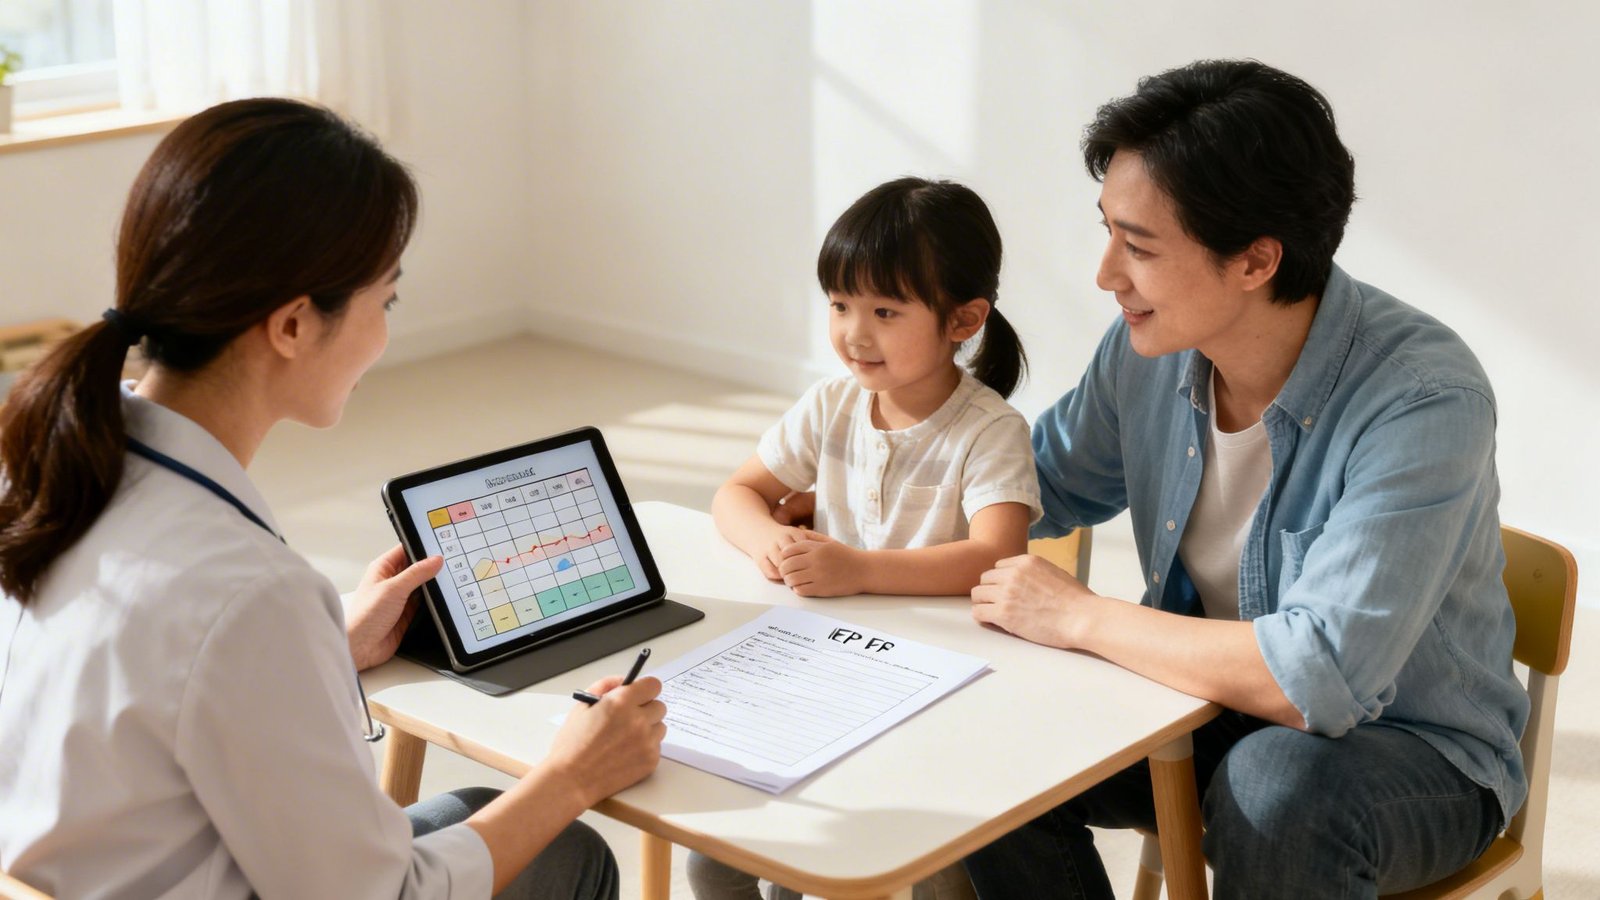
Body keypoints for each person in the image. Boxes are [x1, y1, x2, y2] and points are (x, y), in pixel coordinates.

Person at [0, 98, 666, 899]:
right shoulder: (251, 593)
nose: (383, 333)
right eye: (384, 300)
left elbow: (139, 691)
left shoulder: (49, 462)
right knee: (569, 848)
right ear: (291, 325)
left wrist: (326, 652)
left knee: (484, 811)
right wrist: (573, 773)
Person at [962, 59, 1528, 899]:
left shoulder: (1423, 399)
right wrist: (854, 489)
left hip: (1411, 750)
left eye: (1140, 246)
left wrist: (1081, 617)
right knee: (988, 736)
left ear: (1257, 261)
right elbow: (1032, 481)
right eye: (1109, 230)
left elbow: (1318, 679)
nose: (1107, 274)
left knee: (1276, 788)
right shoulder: (1147, 347)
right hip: (1203, 706)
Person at [693, 178, 1041, 899]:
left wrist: (857, 568)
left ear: (963, 320)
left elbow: (998, 557)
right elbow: (735, 494)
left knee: (912, 877)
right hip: (825, 671)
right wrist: (768, 541)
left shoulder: (990, 430)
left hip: (942, 687)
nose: (855, 332)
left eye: (885, 310)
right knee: (713, 859)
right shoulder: (833, 403)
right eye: (841, 304)